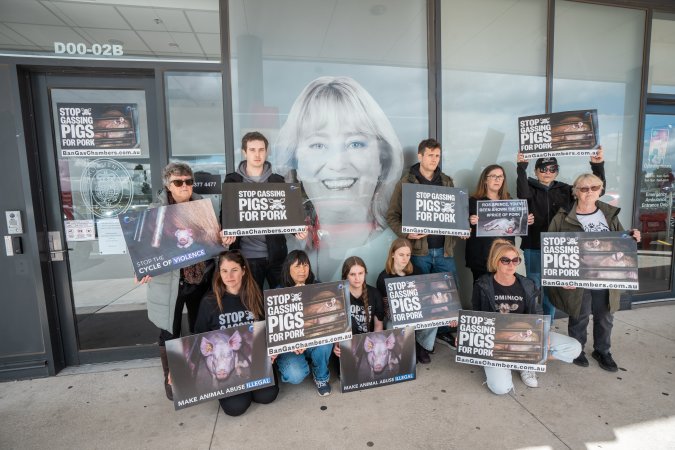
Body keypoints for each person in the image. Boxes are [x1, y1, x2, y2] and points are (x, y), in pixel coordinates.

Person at [275, 76, 403, 281]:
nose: (337, 163)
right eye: (318, 145)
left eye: (355, 144)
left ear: (382, 160)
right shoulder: (282, 246)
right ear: (295, 163)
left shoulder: (397, 247)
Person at [136, 162, 227, 401]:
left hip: (202, 279)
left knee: (202, 329)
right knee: (169, 331)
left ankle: (201, 375)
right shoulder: (155, 211)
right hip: (170, 284)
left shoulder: (205, 207)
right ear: (168, 185)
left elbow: (215, 243)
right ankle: (172, 378)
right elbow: (143, 247)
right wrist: (142, 268)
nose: (184, 186)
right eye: (178, 182)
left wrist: (225, 241)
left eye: (188, 181)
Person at [548, 173, 641, 372]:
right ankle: (577, 349)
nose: (589, 192)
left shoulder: (609, 215)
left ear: (600, 190)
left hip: (606, 277)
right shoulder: (563, 217)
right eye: (583, 188)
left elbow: (622, 243)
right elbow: (552, 249)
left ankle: (603, 351)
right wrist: (560, 277)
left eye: (594, 188)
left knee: (605, 316)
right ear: (575, 192)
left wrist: (632, 237)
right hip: (578, 278)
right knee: (578, 315)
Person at [472, 239, 582, 394]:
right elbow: (475, 314)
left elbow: (536, 312)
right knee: (500, 389)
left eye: (516, 260)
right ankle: (512, 360)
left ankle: (523, 361)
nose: (511, 265)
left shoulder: (527, 284)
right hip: (497, 341)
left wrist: (543, 335)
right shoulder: (482, 285)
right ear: (495, 261)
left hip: (526, 336)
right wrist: (467, 336)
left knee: (574, 348)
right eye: (506, 260)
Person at [386, 138, 460, 363]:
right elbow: (392, 216)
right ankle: (418, 344)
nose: (434, 159)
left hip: (445, 251)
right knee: (421, 302)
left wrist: (463, 227)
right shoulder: (406, 182)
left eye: (437, 156)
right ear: (420, 156)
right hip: (420, 252)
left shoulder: (447, 182)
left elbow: (455, 214)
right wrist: (406, 234)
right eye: (430, 155)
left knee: (447, 300)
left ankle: (437, 336)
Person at [517, 148, 605, 322]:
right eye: (543, 169)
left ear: (557, 171)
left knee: (552, 291)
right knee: (533, 287)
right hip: (534, 247)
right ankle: (532, 326)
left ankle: (547, 327)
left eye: (552, 169)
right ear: (536, 171)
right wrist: (521, 166)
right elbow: (522, 193)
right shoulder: (528, 189)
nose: (547, 172)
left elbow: (594, 191)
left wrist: (597, 165)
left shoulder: (566, 190)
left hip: (559, 249)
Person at [194, 251, 278, 416]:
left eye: (234, 270)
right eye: (224, 271)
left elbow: (270, 329)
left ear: (244, 271)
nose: (229, 276)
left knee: (267, 396)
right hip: (224, 363)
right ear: (219, 273)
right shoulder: (209, 302)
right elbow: (198, 336)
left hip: (255, 360)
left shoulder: (257, 296)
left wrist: (273, 349)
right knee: (235, 408)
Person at [224, 131, 306, 291]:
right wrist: (226, 233)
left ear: (266, 152)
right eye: (252, 149)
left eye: (261, 150)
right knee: (252, 303)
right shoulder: (232, 181)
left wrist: (297, 230)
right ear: (244, 152)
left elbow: (288, 213)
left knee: (282, 301)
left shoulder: (278, 181)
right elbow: (226, 214)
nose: (257, 154)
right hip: (247, 257)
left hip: (276, 255)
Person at [274, 250, 333, 396]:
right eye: (297, 266)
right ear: (288, 269)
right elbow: (277, 330)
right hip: (290, 345)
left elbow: (326, 322)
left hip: (313, 339)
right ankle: (302, 363)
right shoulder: (278, 292)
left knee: (325, 344)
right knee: (295, 375)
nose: (302, 270)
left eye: (305, 265)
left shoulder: (318, 287)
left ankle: (321, 377)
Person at [467, 164, 534, 283]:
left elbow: (517, 229)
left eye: (500, 176)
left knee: (503, 294)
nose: (497, 179)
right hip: (481, 257)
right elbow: (462, 229)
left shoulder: (510, 202)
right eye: (493, 176)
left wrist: (525, 221)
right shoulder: (473, 202)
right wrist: (470, 221)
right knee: (482, 293)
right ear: (485, 180)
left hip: (505, 258)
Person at [333, 256, 384, 358]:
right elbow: (335, 327)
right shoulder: (338, 296)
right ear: (345, 276)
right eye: (352, 274)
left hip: (370, 342)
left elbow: (378, 325)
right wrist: (336, 345)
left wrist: (373, 345)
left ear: (365, 273)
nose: (357, 278)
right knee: (349, 372)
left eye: (360, 273)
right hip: (347, 344)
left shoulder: (374, 294)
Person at [376, 238, 421, 329]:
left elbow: (422, 297)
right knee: (392, 326)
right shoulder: (383, 277)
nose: (405, 258)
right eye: (401, 255)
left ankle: (421, 343)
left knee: (432, 323)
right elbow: (384, 307)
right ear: (392, 254)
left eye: (408, 255)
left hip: (415, 313)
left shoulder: (416, 271)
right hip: (394, 316)